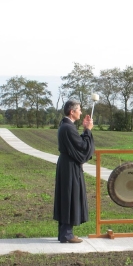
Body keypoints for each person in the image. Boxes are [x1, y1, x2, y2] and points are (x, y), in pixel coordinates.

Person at [53, 99, 95, 243]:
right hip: (69, 166)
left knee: (67, 195)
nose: (81, 112)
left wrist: (85, 130)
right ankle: (67, 234)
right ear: (72, 112)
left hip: (66, 164)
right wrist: (88, 130)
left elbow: (78, 144)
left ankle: (64, 233)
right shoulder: (68, 128)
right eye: (79, 109)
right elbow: (82, 148)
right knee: (69, 196)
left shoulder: (66, 126)